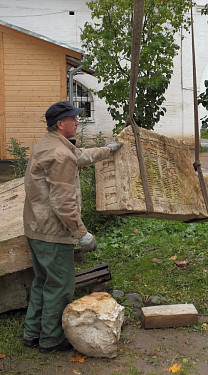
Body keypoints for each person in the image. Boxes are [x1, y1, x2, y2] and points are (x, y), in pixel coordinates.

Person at [22, 101, 123, 353]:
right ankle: (51, 339)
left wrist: (107, 150)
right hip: (52, 232)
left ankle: (32, 333)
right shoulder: (59, 154)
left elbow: (80, 156)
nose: (78, 122)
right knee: (60, 286)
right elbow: (63, 201)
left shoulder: (51, 144)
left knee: (43, 281)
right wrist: (82, 233)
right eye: (74, 119)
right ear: (60, 124)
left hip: (36, 226)